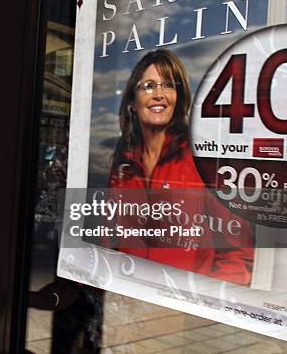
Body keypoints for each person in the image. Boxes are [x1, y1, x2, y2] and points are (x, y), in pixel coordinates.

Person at [108, 49, 254, 286]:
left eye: (168, 85)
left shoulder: (204, 160)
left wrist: (200, 306)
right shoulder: (123, 164)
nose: (158, 94)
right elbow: (110, 238)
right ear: (132, 103)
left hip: (182, 312)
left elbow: (237, 254)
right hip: (128, 302)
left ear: (179, 99)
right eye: (148, 86)